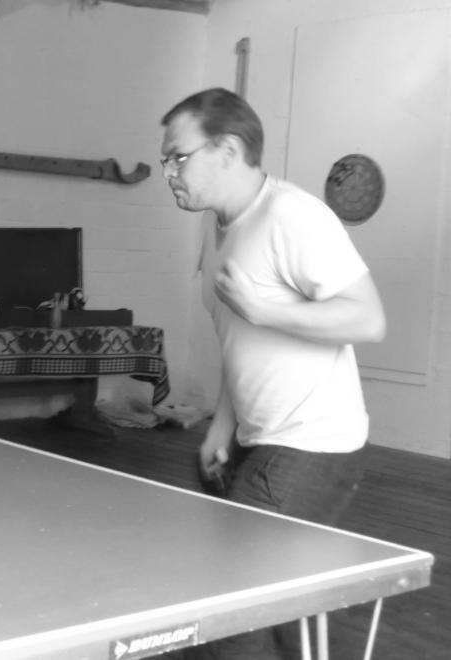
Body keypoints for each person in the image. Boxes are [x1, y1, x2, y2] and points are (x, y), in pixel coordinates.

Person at [159, 88, 386, 659]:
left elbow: (368, 318)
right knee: (271, 606)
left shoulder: (293, 215)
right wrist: (221, 426)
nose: (168, 173)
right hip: (255, 437)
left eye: (178, 157)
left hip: (313, 446)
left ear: (228, 150)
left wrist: (267, 311)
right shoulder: (217, 228)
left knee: (228, 615)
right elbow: (240, 343)